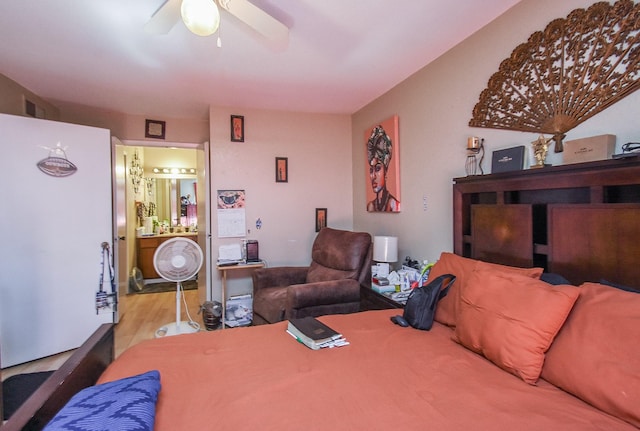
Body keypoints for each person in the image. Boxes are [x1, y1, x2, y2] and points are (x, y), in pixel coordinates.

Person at [367, 126, 400, 212]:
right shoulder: (370, 206)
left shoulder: (393, 205)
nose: (373, 176)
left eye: (377, 169)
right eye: (371, 170)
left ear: (385, 172)